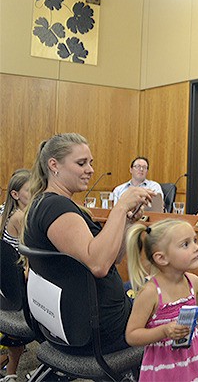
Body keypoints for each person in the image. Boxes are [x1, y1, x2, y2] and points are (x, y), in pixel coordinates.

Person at [23, 133, 156, 355]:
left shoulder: (47, 204)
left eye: (90, 163)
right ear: (54, 165)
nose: (91, 169)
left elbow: (114, 257)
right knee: (177, 288)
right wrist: (120, 207)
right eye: (81, 163)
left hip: (76, 324)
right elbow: (99, 265)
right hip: (99, 331)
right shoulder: (55, 208)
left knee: (149, 287)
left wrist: (126, 221)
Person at [125, 219, 198, 381]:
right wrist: (163, 331)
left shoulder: (194, 283)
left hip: (190, 367)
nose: (196, 248)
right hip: (160, 371)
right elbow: (132, 335)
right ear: (161, 258)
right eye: (185, 244)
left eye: (195, 241)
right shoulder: (150, 292)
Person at [0, 169, 31, 382]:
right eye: (31, 190)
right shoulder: (21, 217)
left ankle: (11, 373)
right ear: (15, 195)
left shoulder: (6, 215)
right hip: (23, 290)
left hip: (9, 293)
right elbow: (31, 259)